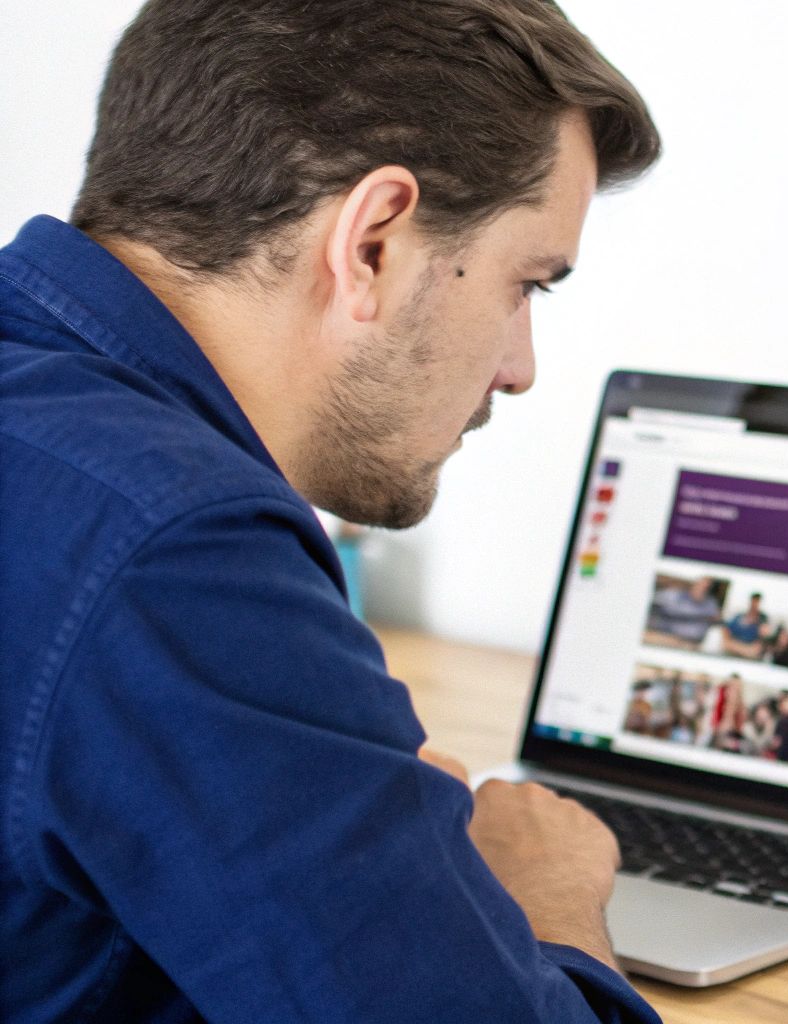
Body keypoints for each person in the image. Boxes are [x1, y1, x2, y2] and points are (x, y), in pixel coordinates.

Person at [0, 2, 664, 1021]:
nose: (520, 367)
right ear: (372, 242)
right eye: (525, 282)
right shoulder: (173, 546)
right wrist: (547, 899)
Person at [644, 576, 723, 648]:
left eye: (706, 588)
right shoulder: (675, 595)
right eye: (700, 585)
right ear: (695, 585)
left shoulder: (710, 605)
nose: (701, 589)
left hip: (665, 632)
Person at [720, 592, 769, 658]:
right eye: (753, 601)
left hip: (750, 646)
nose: (754, 604)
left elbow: (764, 636)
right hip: (737, 644)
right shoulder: (739, 616)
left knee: (755, 650)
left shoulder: (763, 619)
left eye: (757, 602)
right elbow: (726, 628)